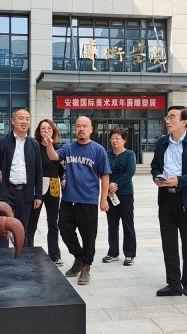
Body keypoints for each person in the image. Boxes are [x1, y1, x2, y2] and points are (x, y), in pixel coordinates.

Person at [42, 116, 111, 286]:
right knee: (65, 230)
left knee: (88, 236)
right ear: (75, 129)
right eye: (78, 126)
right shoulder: (68, 148)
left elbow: (105, 175)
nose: (81, 129)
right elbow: (53, 156)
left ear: (91, 129)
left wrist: (103, 199)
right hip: (68, 199)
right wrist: (49, 144)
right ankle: (79, 257)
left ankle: (86, 267)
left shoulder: (98, 150)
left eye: (85, 126)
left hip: (88, 201)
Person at [151, 106, 187, 297]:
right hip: (165, 198)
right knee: (168, 243)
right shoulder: (162, 142)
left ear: (184, 122)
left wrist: (180, 180)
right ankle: (173, 283)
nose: (167, 121)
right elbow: (155, 166)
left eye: (172, 117)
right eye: (167, 117)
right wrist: (156, 176)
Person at [0, 108, 43, 247]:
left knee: (21, 230)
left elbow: (38, 171)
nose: (24, 121)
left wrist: (38, 195)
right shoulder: (2, 142)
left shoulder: (34, 145)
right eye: (21, 118)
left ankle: (21, 257)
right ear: (13, 121)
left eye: (27, 119)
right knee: (3, 229)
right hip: (6, 191)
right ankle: (3, 258)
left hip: (25, 193)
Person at [27, 119, 64, 266]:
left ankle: (55, 255)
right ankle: (28, 253)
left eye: (49, 128)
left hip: (54, 187)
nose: (46, 131)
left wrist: (64, 181)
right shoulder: (34, 147)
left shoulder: (58, 148)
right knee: (31, 223)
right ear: (39, 131)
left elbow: (62, 169)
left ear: (53, 130)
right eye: (43, 128)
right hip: (38, 188)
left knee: (53, 224)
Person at [102, 127, 137, 266]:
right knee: (112, 224)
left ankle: (129, 254)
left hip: (125, 193)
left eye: (118, 138)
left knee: (128, 223)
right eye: (112, 138)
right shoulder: (107, 154)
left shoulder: (130, 154)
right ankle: (113, 252)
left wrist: (115, 185)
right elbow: (103, 171)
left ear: (124, 140)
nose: (114, 140)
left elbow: (130, 172)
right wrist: (109, 185)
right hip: (110, 195)